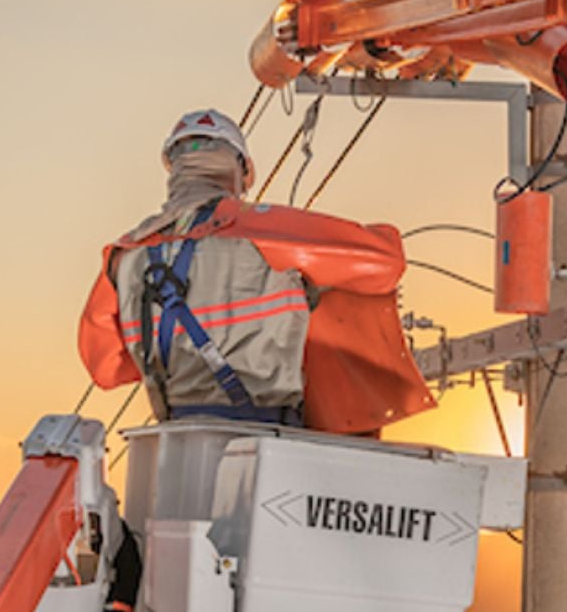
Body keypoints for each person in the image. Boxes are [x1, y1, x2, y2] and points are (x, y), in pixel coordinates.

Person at [78, 109, 434, 434]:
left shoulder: (123, 256)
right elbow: (384, 261)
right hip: (267, 441)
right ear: (245, 171)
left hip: (176, 443)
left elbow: (106, 369)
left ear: (173, 169)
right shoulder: (258, 229)